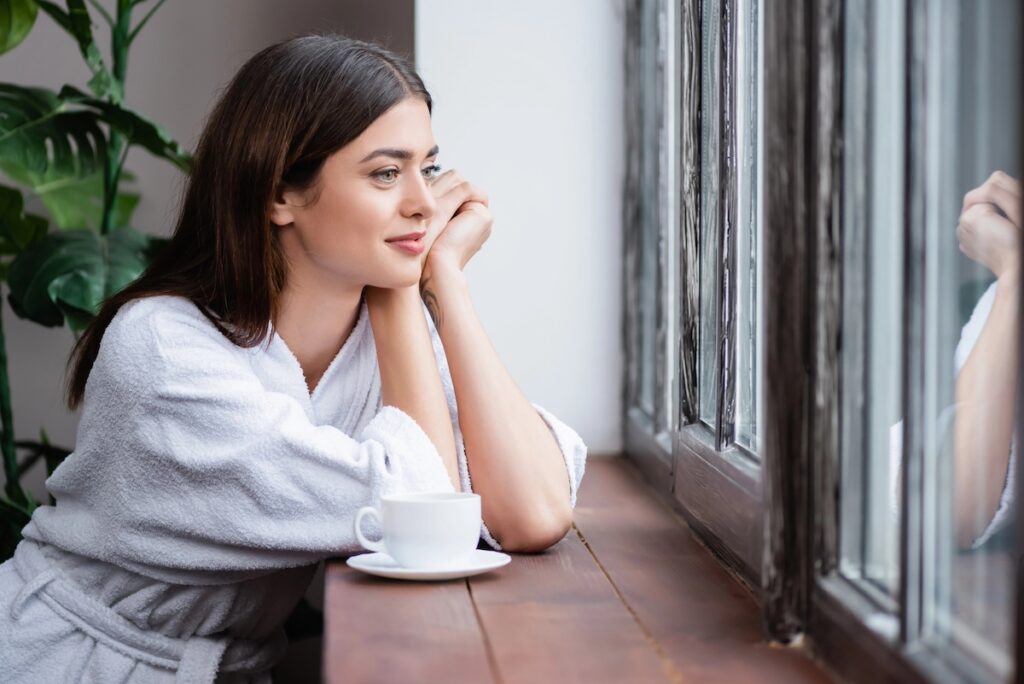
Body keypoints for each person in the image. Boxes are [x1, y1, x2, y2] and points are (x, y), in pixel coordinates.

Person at [0, 34, 587, 682]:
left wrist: (442, 279)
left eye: (431, 168)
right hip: (63, 662)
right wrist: (401, 291)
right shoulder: (164, 352)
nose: (423, 202)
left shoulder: (374, 341)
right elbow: (420, 508)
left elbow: (534, 510)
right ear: (280, 192)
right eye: (387, 173)